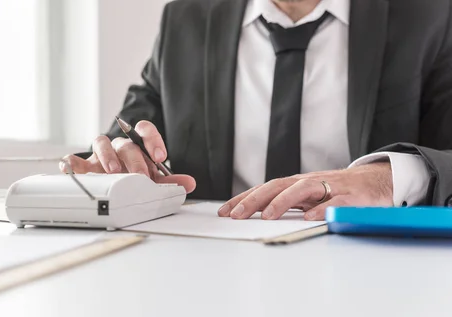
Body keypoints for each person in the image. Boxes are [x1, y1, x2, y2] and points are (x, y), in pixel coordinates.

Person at [61, 0, 452, 221]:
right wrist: (114, 165)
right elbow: (131, 133)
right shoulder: (186, 18)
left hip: (379, 278)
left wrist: (386, 180)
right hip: (207, 275)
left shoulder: (429, 16)